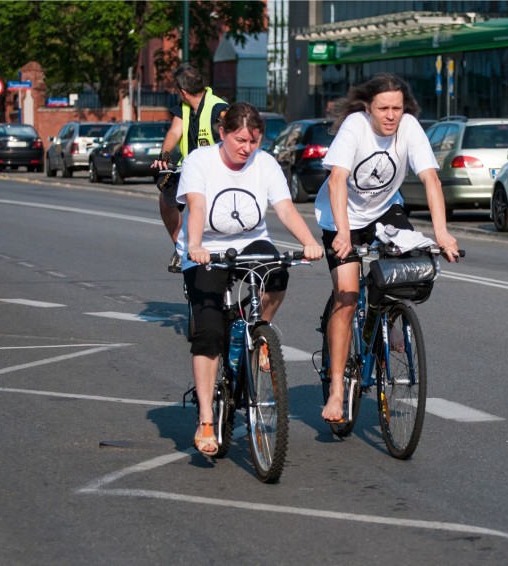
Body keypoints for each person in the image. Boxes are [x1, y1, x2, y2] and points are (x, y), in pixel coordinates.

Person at [177, 102, 324, 456]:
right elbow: (196, 206)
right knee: (209, 330)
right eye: (240, 139)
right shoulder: (201, 162)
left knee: (277, 273)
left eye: (254, 141)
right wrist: (194, 245)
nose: (247, 148)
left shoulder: (265, 163)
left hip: (250, 243)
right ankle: (207, 419)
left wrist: (308, 241)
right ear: (223, 134)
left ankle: (259, 333)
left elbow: (285, 207)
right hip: (208, 248)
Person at [315, 73, 459, 424]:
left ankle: (389, 314)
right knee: (347, 296)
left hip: (384, 211)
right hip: (341, 215)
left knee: (406, 264)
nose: (391, 115)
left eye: (397, 107)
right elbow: (336, 180)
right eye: (383, 108)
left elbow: (430, 179)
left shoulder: (409, 127)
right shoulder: (355, 126)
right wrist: (345, 234)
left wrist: (442, 234)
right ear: (368, 107)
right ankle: (336, 390)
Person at [153, 63, 229, 273]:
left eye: (177, 90)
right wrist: (163, 155)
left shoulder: (218, 108)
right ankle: (181, 247)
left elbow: (229, 140)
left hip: (215, 172)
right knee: (166, 200)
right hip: (189, 169)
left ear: (183, 92)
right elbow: (174, 132)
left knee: (205, 210)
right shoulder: (184, 108)